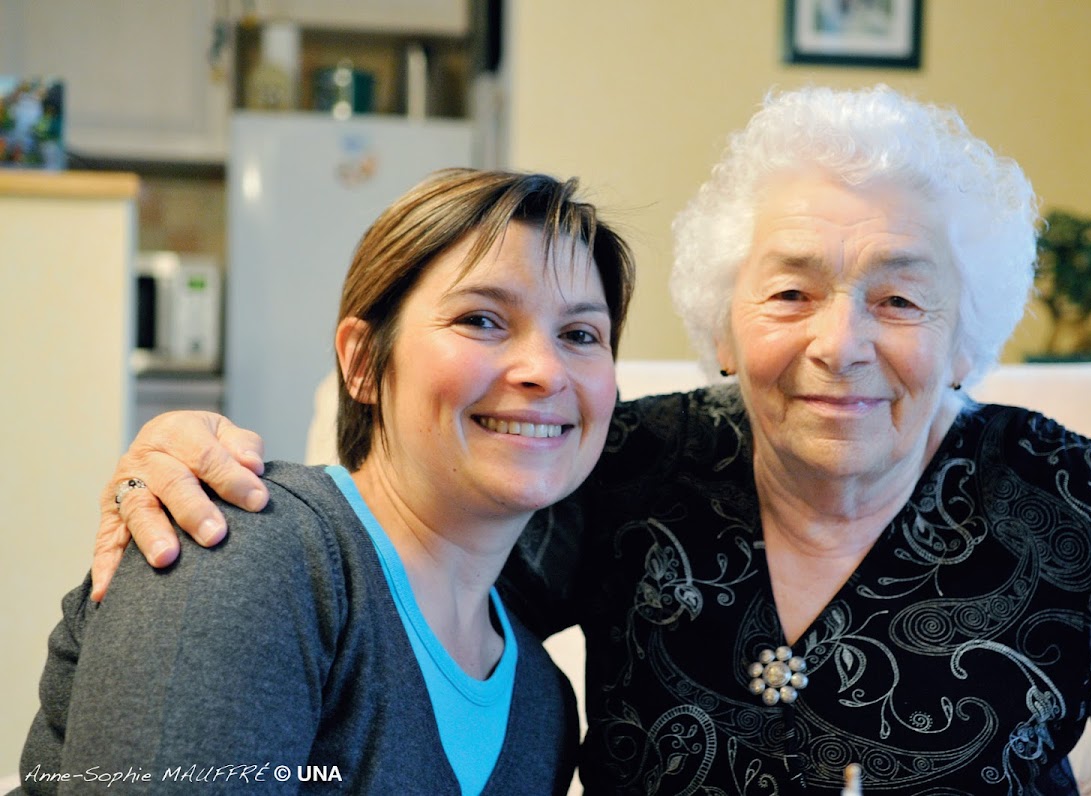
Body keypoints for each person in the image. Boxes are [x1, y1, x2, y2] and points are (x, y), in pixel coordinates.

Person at [89, 86, 1091, 794]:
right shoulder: (623, 462)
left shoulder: (1078, 505)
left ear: (969, 334)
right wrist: (213, 473)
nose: (842, 344)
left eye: (902, 301)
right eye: (790, 293)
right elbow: (411, 562)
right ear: (723, 325)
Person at [18, 168, 635, 795]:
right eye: (481, 320)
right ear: (363, 362)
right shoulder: (249, 558)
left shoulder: (543, 707)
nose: (544, 370)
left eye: (581, 334)